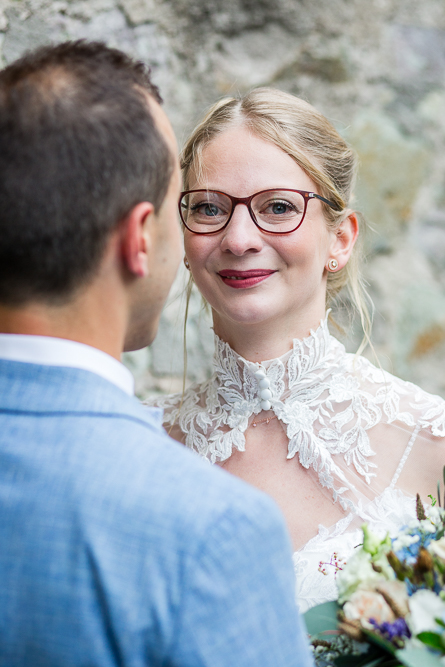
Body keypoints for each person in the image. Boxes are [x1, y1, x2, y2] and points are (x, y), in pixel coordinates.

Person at [0, 43, 313, 666]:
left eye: (277, 208)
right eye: (193, 207)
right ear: (140, 239)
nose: (236, 238)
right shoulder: (210, 527)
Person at [147, 87, 445, 612]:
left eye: (279, 207)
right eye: (210, 208)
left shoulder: (430, 442)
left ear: (341, 239)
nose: (239, 238)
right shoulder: (142, 445)